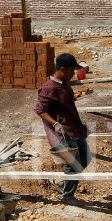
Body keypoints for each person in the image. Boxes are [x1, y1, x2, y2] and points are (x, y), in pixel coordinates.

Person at [34, 52, 91, 202]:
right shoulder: (49, 88)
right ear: (64, 69)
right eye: (73, 70)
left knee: (85, 159)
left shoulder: (64, 84)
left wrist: (73, 98)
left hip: (74, 128)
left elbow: (63, 101)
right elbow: (39, 110)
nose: (74, 73)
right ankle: (68, 197)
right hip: (63, 133)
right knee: (73, 165)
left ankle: (63, 183)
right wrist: (55, 124)